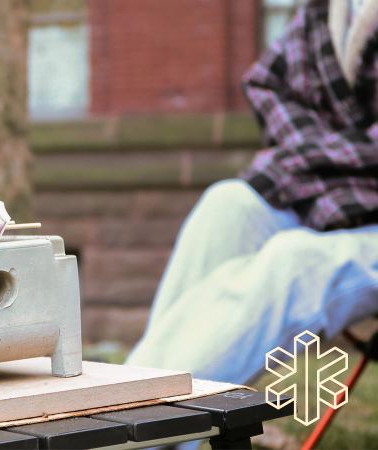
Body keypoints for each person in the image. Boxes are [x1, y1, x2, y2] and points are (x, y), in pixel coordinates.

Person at [127, 0, 378, 385]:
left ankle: (142, 424)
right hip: (338, 192)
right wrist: (341, 154)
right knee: (227, 206)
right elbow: (271, 83)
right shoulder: (327, 11)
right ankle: (131, 397)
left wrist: (327, 151)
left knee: (294, 261)